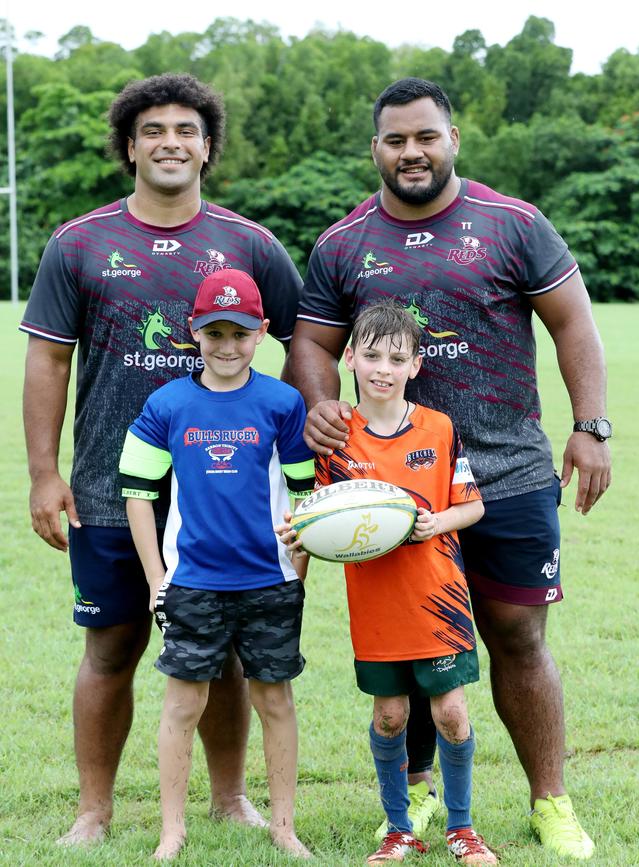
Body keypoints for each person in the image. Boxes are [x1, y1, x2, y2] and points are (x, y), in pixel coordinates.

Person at [287, 77, 611, 861]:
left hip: (511, 471)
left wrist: (591, 426)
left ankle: (549, 801)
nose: (411, 152)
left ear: (453, 139)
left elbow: (573, 320)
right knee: (411, 640)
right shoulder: (342, 243)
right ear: (375, 149)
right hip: (394, 485)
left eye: (425, 136)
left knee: (518, 634)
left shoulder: (514, 223)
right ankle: (424, 794)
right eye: (395, 140)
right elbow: (310, 344)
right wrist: (320, 401)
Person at [20, 73, 303, 846]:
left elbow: (303, 338)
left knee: (233, 652)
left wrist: (319, 432)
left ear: (207, 147)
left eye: (185, 129)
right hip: (113, 491)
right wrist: (46, 473)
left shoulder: (250, 242)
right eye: (153, 130)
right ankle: (94, 810)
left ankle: (228, 798)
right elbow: (48, 363)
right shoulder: (79, 242)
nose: (170, 142)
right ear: (130, 146)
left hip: (232, 494)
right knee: (110, 644)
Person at [278, 304, 495, 864]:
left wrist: (435, 521)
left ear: (416, 365)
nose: (382, 368)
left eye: (397, 358)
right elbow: (323, 519)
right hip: (375, 604)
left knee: (451, 713)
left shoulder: (439, 428)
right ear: (349, 357)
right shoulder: (334, 439)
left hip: (438, 598)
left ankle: (463, 828)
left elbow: (470, 507)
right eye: (371, 355)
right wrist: (302, 534)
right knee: (390, 715)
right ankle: (399, 828)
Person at [119, 269, 314, 860]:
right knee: (183, 704)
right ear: (194, 334)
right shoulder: (168, 403)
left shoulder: (283, 402)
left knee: (275, 701)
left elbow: (305, 496)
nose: (227, 346)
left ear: (261, 334)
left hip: (269, 581)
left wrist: (297, 571)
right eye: (215, 333)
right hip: (193, 584)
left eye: (241, 333)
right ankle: (170, 830)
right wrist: (157, 579)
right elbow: (137, 492)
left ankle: (283, 826)